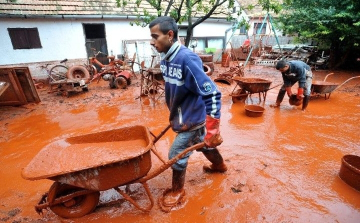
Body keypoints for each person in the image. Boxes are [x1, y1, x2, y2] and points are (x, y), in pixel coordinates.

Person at [148, 16, 227, 211]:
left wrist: (212, 130)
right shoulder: (166, 58)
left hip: (191, 120)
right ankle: (219, 166)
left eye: (155, 36)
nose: (152, 41)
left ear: (170, 35)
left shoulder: (187, 59)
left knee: (176, 154)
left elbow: (213, 93)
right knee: (204, 147)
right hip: (182, 116)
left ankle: (177, 191)